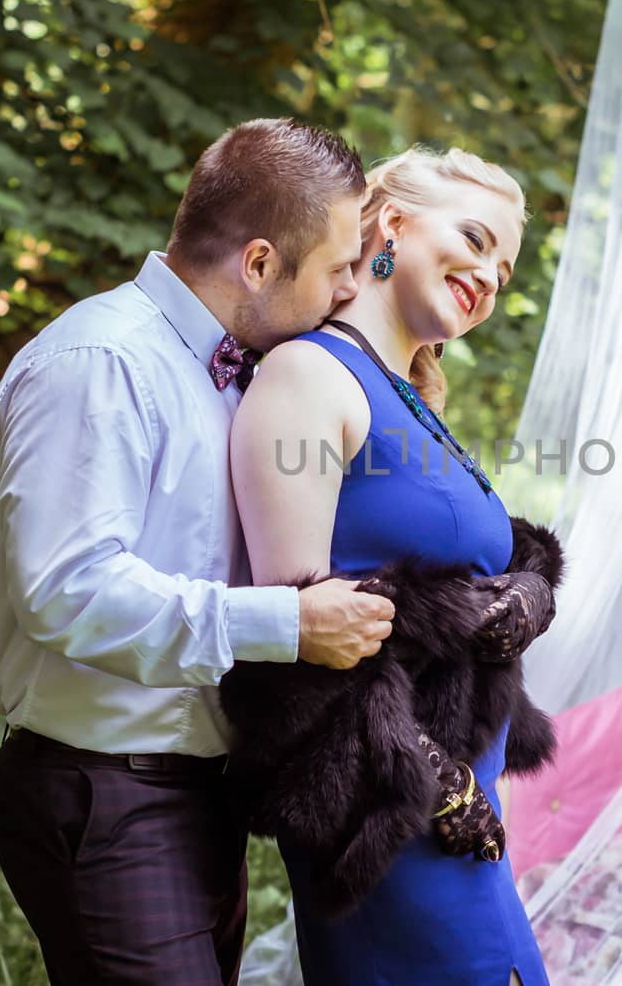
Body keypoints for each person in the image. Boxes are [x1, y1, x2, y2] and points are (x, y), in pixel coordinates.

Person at [0, 118, 396, 986]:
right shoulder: (100, 362)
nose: (348, 292)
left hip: (200, 792)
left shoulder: (239, 373)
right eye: (336, 269)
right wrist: (288, 622)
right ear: (257, 263)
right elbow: (68, 589)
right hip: (105, 793)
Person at [229, 147, 552, 985]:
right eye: (475, 239)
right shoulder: (308, 376)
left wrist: (529, 586)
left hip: (466, 810)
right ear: (394, 225)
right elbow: (299, 634)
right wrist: (433, 782)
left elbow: (465, 563)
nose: (487, 275)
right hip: (385, 810)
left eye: (504, 270)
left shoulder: (408, 394)